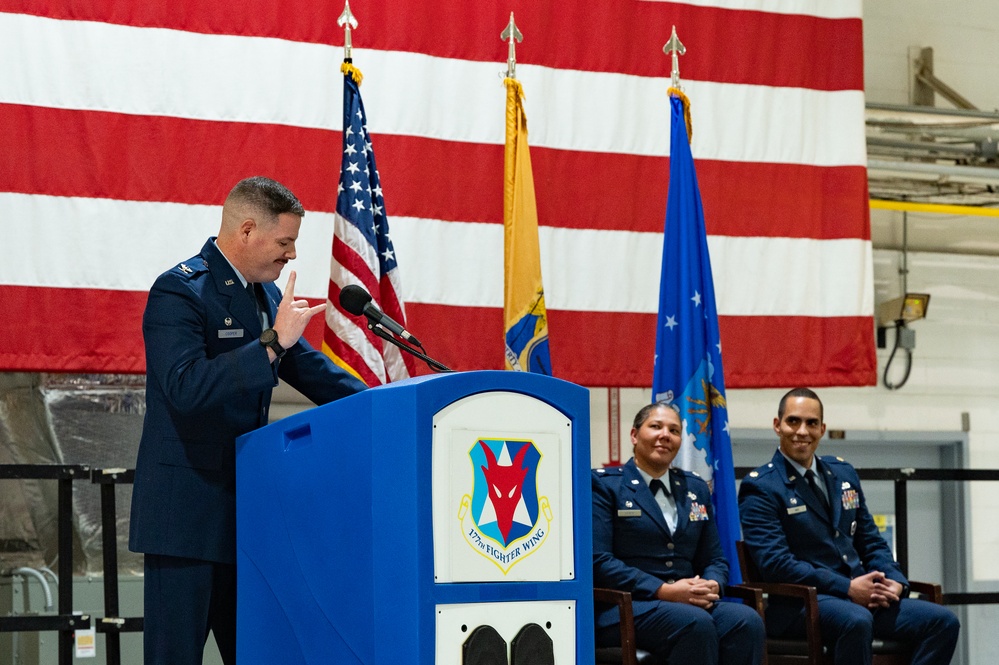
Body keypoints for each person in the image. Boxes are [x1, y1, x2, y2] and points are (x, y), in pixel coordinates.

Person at [129, 176, 368, 665]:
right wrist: (271, 344)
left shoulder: (262, 294)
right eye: (285, 242)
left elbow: (310, 370)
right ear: (246, 231)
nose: (292, 256)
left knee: (257, 652)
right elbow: (187, 387)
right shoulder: (179, 291)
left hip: (247, 518)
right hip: (185, 520)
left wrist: (385, 404)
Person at [738, 387, 960, 665]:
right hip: (804, 604)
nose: (802, 431)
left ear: (822, 428)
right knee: (856, 620)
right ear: (777, 425)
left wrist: (896, 583)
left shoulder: (842, 473)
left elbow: (870, 540)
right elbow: (776, 563)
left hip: (862, 598)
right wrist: (847, 587)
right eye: (793, 421)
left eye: (812, 423)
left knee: (943, 622)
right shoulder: (760, 486)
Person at [592, 402, 766, 665]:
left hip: (687, 602)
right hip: (627, 606)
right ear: (634, 435)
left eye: (674, 430)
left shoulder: (694, 488)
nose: (665, 435)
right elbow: (599, 561)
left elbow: (715, 559)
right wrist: (663, 590)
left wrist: (711, 584)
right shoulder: (606, 486)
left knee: (746, 620)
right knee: (696, 623)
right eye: (656, 426)